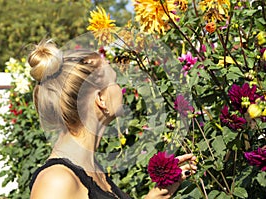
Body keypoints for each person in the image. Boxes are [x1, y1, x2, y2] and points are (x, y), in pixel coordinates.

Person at [28, 39, 197, 199]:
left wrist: (158, 195)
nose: (120, 87)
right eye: (114, 81)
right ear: (101, 99)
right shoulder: (57, 182)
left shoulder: (92, 170)